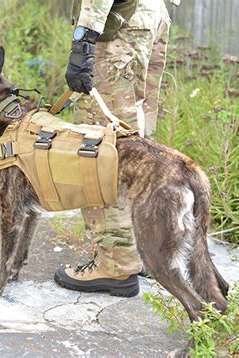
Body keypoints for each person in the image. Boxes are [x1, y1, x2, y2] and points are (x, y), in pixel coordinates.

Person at [54, 0, 177, 297]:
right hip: (150, 15)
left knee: (103, 148)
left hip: (118, 22)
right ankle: (142, 252)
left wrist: (84, 39)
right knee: (136, 144)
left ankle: (116, 265)